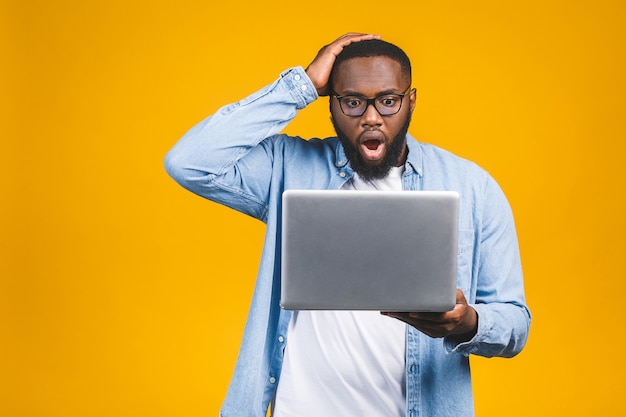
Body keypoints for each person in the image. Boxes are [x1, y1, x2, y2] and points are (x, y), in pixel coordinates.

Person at [165, 33, 531, 417]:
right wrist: (301, 85)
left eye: (388, 101)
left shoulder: (473, 187)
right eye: (353, 102)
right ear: (332, 106)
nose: (371, 117)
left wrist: (467, 323)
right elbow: (189, 162)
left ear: (411, 102)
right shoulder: (289, 167)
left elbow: (514, 324)